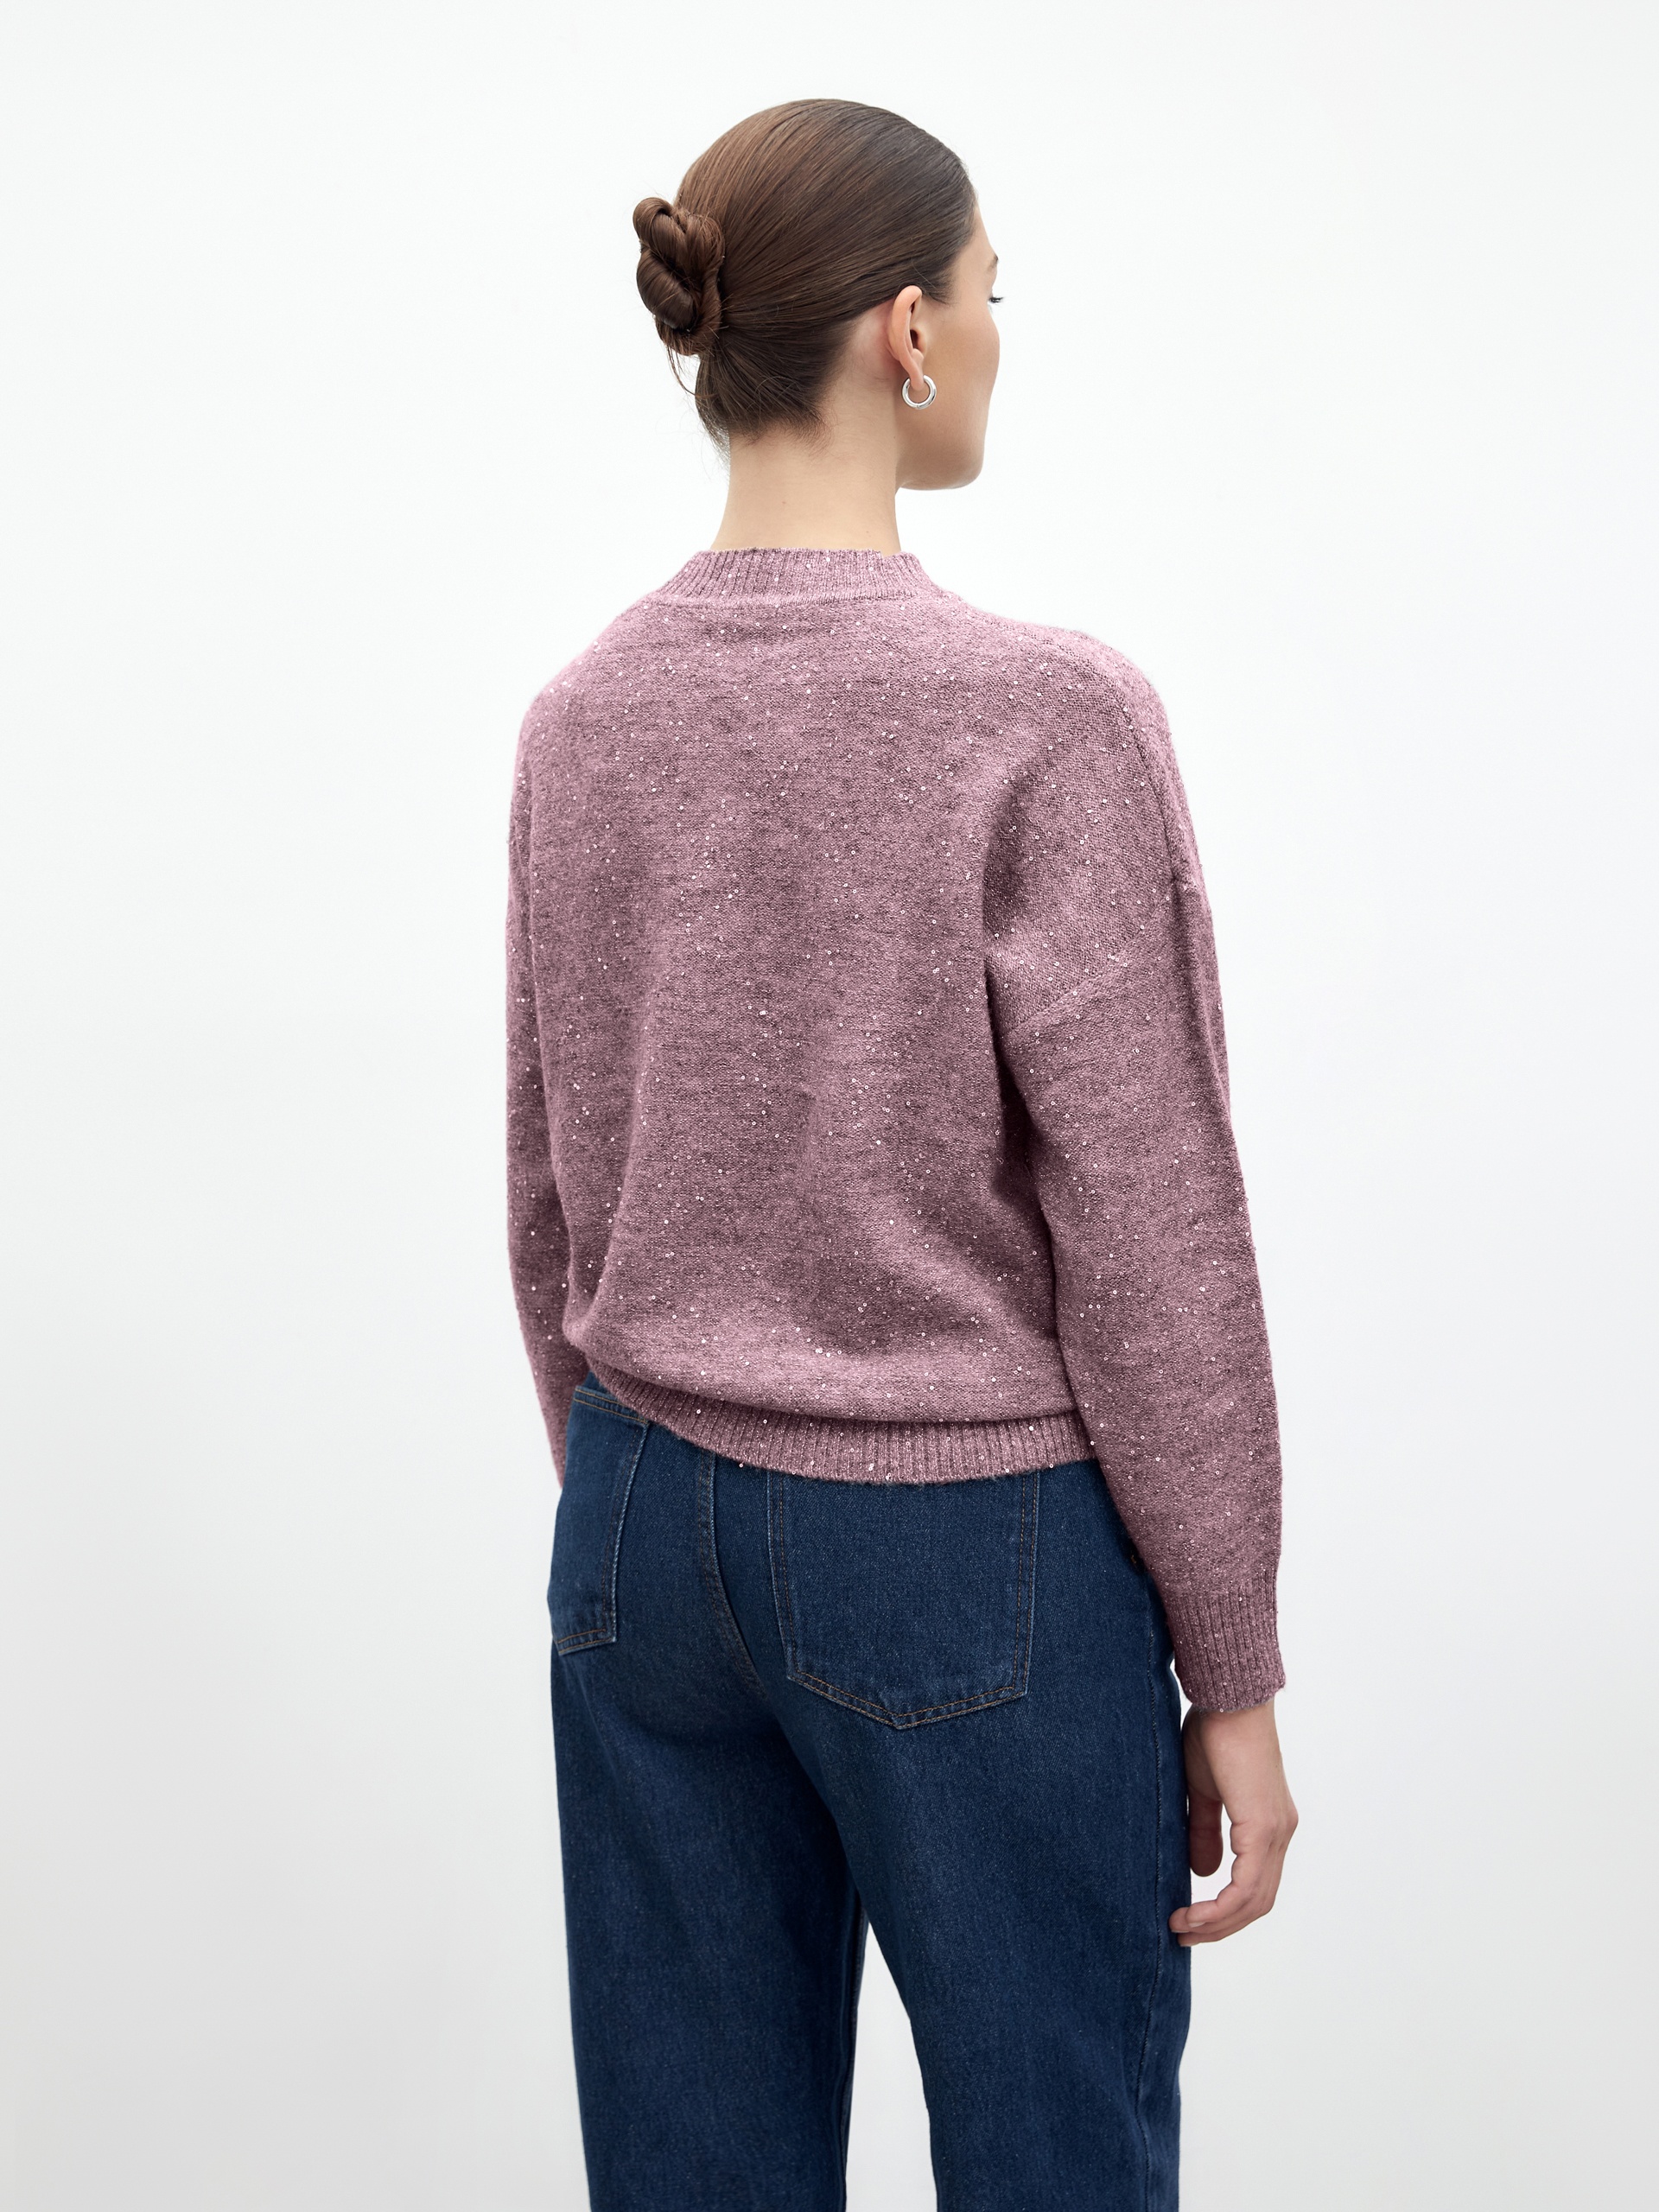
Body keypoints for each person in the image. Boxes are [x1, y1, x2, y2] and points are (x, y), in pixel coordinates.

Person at [506, 97, 1296, 2212]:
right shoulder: (1042, 714)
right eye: (990, 292)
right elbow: (1153, 1230)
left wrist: (636, 1485)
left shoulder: (581, 717)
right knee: (1056, 2164)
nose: (998, 334)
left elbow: (551, 1183)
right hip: (965, 1541)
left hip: (641, 1526)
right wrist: (1232, 1659)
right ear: (908, 334)